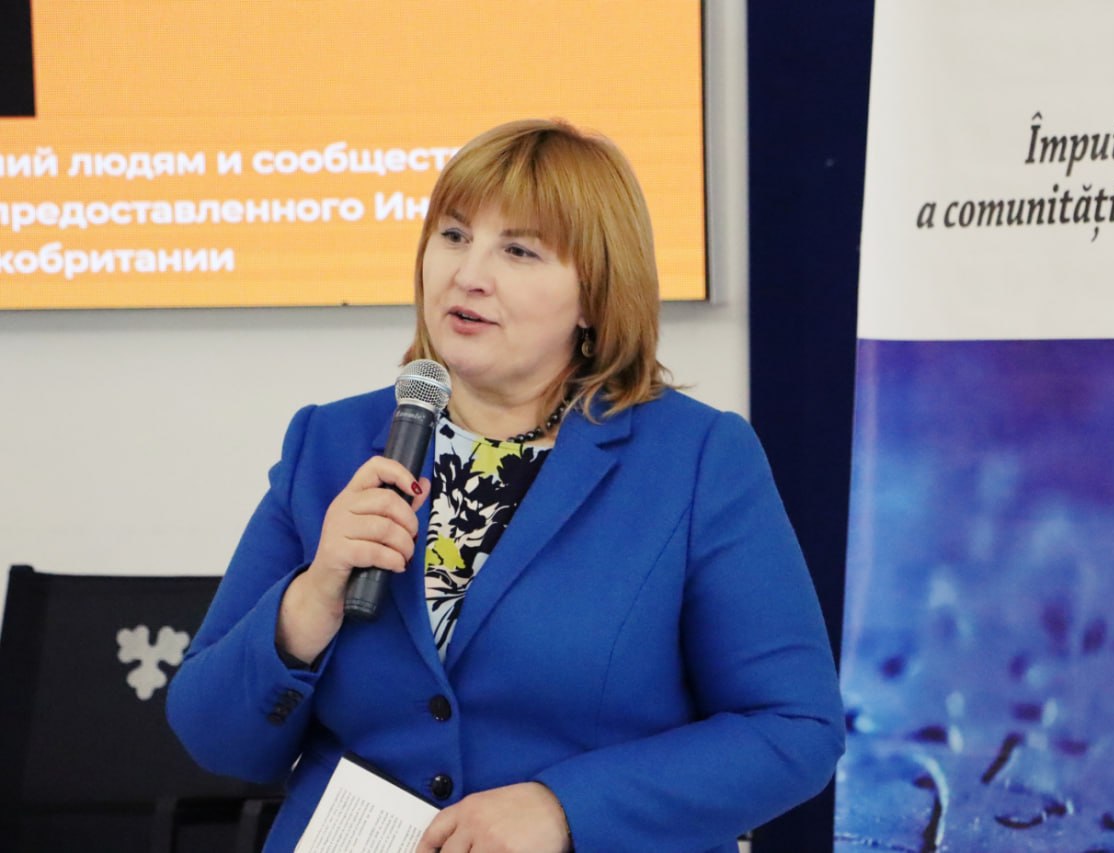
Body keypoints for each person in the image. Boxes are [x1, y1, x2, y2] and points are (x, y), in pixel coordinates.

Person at [167, 118, 843, 853]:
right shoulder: (328, 443)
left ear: (594, 296)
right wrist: (311, 598)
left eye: (518, 250)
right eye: (454, 235)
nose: (468, 273)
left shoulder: (696, 459)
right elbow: (215, 740)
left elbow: (794, 728)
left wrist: (564, 810)